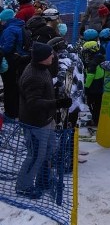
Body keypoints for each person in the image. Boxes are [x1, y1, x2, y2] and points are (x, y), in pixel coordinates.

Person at [16, 42, 70, 198]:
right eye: (50, 55)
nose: (53, 56)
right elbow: (33, 103)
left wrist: (55, 91)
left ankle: (44, 179)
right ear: (42, 58)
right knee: (35, 155)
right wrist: (57, 103)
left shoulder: (42, 69)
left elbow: (43, 91)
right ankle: (23, 186)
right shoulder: (33, 76)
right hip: (35, 123)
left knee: (51, 150)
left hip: (46, 120)